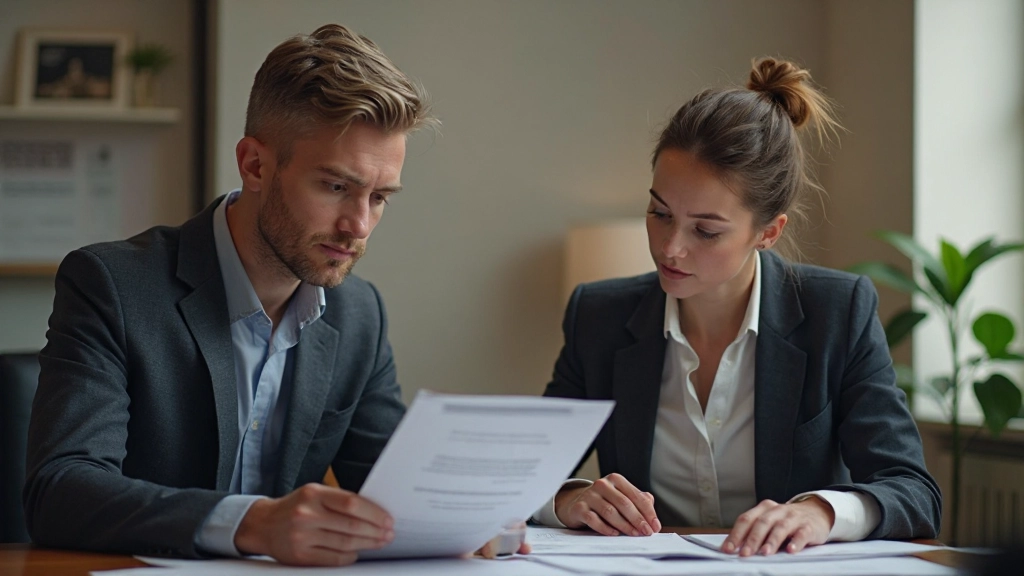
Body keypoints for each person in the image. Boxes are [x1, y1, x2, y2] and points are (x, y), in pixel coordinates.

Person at [23, 23, 525, 566]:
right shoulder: (111, 284)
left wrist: (537, 504)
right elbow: (60, 491)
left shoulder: (359, 314)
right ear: (255, 165)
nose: (359, 224)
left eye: (379, 197)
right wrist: (254, 523)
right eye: (336, 187)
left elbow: (397, 486)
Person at [536, 57, 941, 556]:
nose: (671, 248)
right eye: (659, 213)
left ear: (768, 232)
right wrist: (570, 498)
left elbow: (913, 491)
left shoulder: (837, 311)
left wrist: (819, 512)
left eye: (705, 229)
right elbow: (526, 475)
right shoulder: (598, 316)